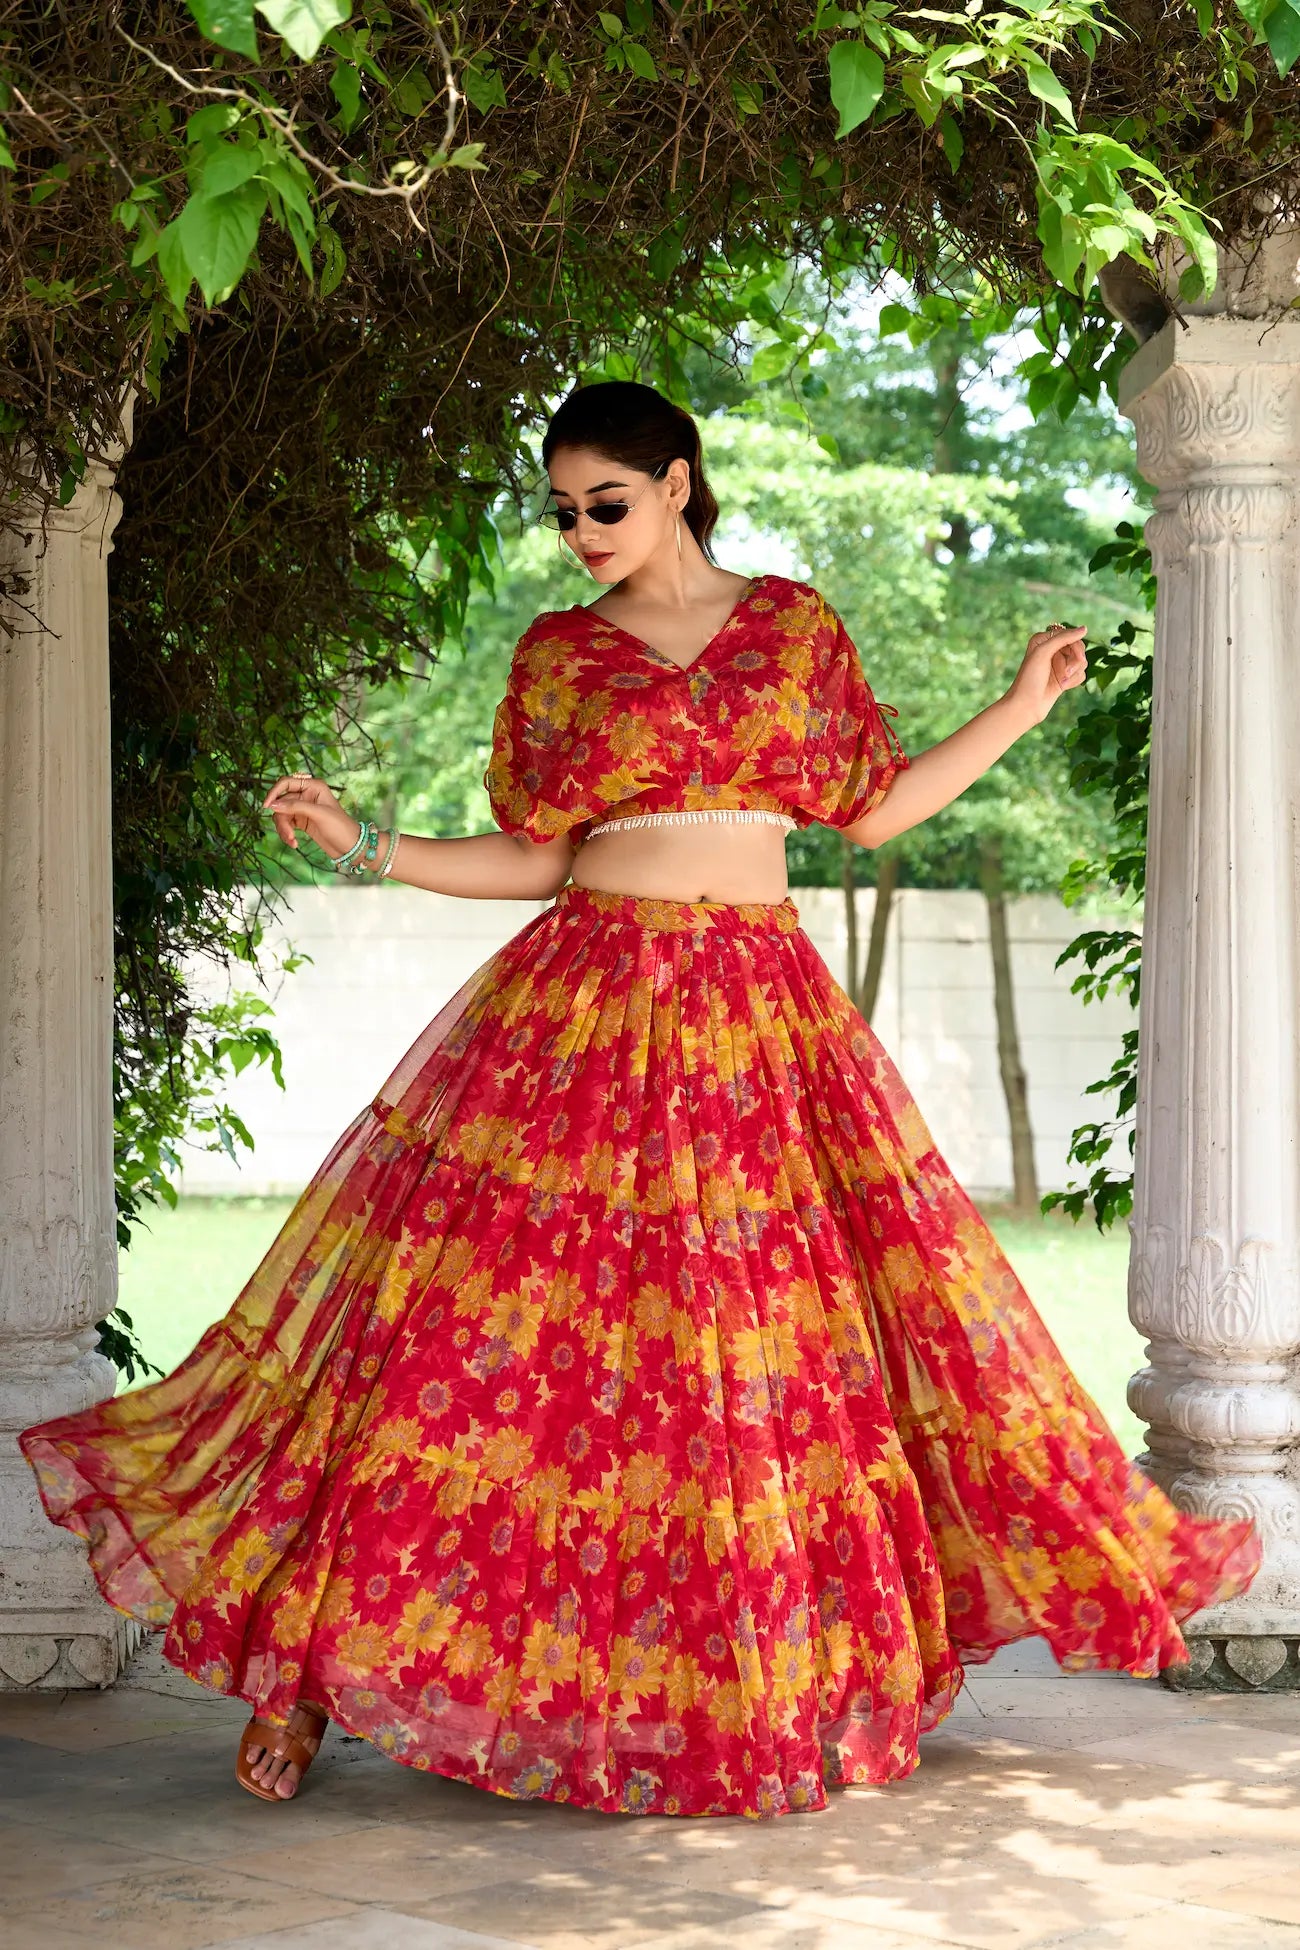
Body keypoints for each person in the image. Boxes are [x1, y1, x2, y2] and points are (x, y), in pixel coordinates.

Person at [21, 380, 1258, 1822]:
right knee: (456, 1358)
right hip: (581, 1019)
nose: (581, 533)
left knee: (757, 1372)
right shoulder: (559, 656)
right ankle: (304, 1674)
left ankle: (746, 1691)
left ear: (679, 481)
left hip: (755, 1031)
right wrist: (370, 845)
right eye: (562, 513)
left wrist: (1020, 707)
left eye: (605, 502)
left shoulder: (794, 629)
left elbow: (869, 810)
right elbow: (537, 860)